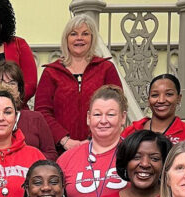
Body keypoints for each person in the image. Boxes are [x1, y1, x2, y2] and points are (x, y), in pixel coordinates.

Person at [35, 14, 122, 152]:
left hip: (101, 146)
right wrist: (64, 140)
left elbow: (117, 106)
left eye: (85, 34)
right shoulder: (51, 72)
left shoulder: (106, 68)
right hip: (60, 149)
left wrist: (94, 140)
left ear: (92, 39)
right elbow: (42, 112)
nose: (79, 38)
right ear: (66, 39)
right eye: (74, 34)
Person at [57, 85, 128, 197]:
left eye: (111, 114)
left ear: (123, 117)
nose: (103, 121)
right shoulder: (66, 159)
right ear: (89, 118)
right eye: (97, 114)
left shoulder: (134, 155)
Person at [0, 60, 57, 160]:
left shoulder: (35, 119)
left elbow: (51, 155)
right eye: (1, 82)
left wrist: (25, 161)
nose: (6, 87)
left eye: (12, 83)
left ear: (19, 89)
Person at [122, 74, 185, 145]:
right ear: (148, 100)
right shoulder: (131, 131)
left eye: (169, 94)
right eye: (155, 95)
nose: (161, 100)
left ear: (179, 98)